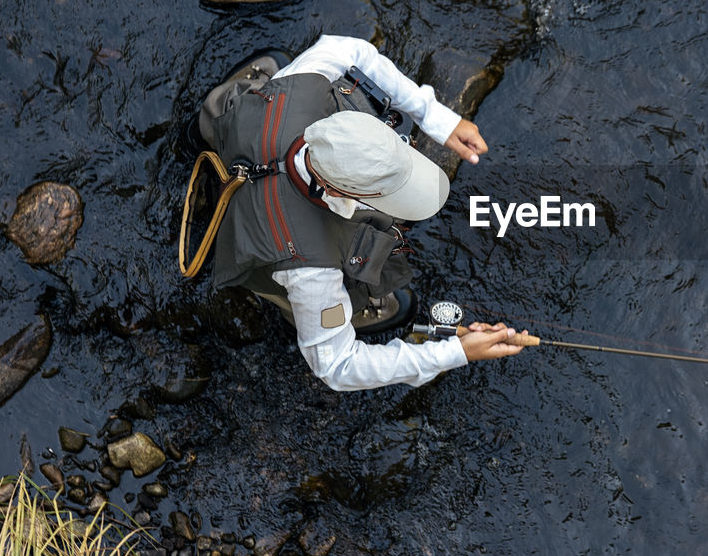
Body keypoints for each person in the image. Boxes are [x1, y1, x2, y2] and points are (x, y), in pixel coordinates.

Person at [200, 34, 525, 391]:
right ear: (339, 190)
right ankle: (300, 307)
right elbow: (337, 366)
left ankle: (211, 116)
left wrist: (437, 118)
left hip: (251, 134)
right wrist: (454, 352)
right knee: (308, 293)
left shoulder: (304, 86)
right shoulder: (311, 271)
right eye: (387, 194)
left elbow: (352, 50)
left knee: (271, 79)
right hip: (276, 251)